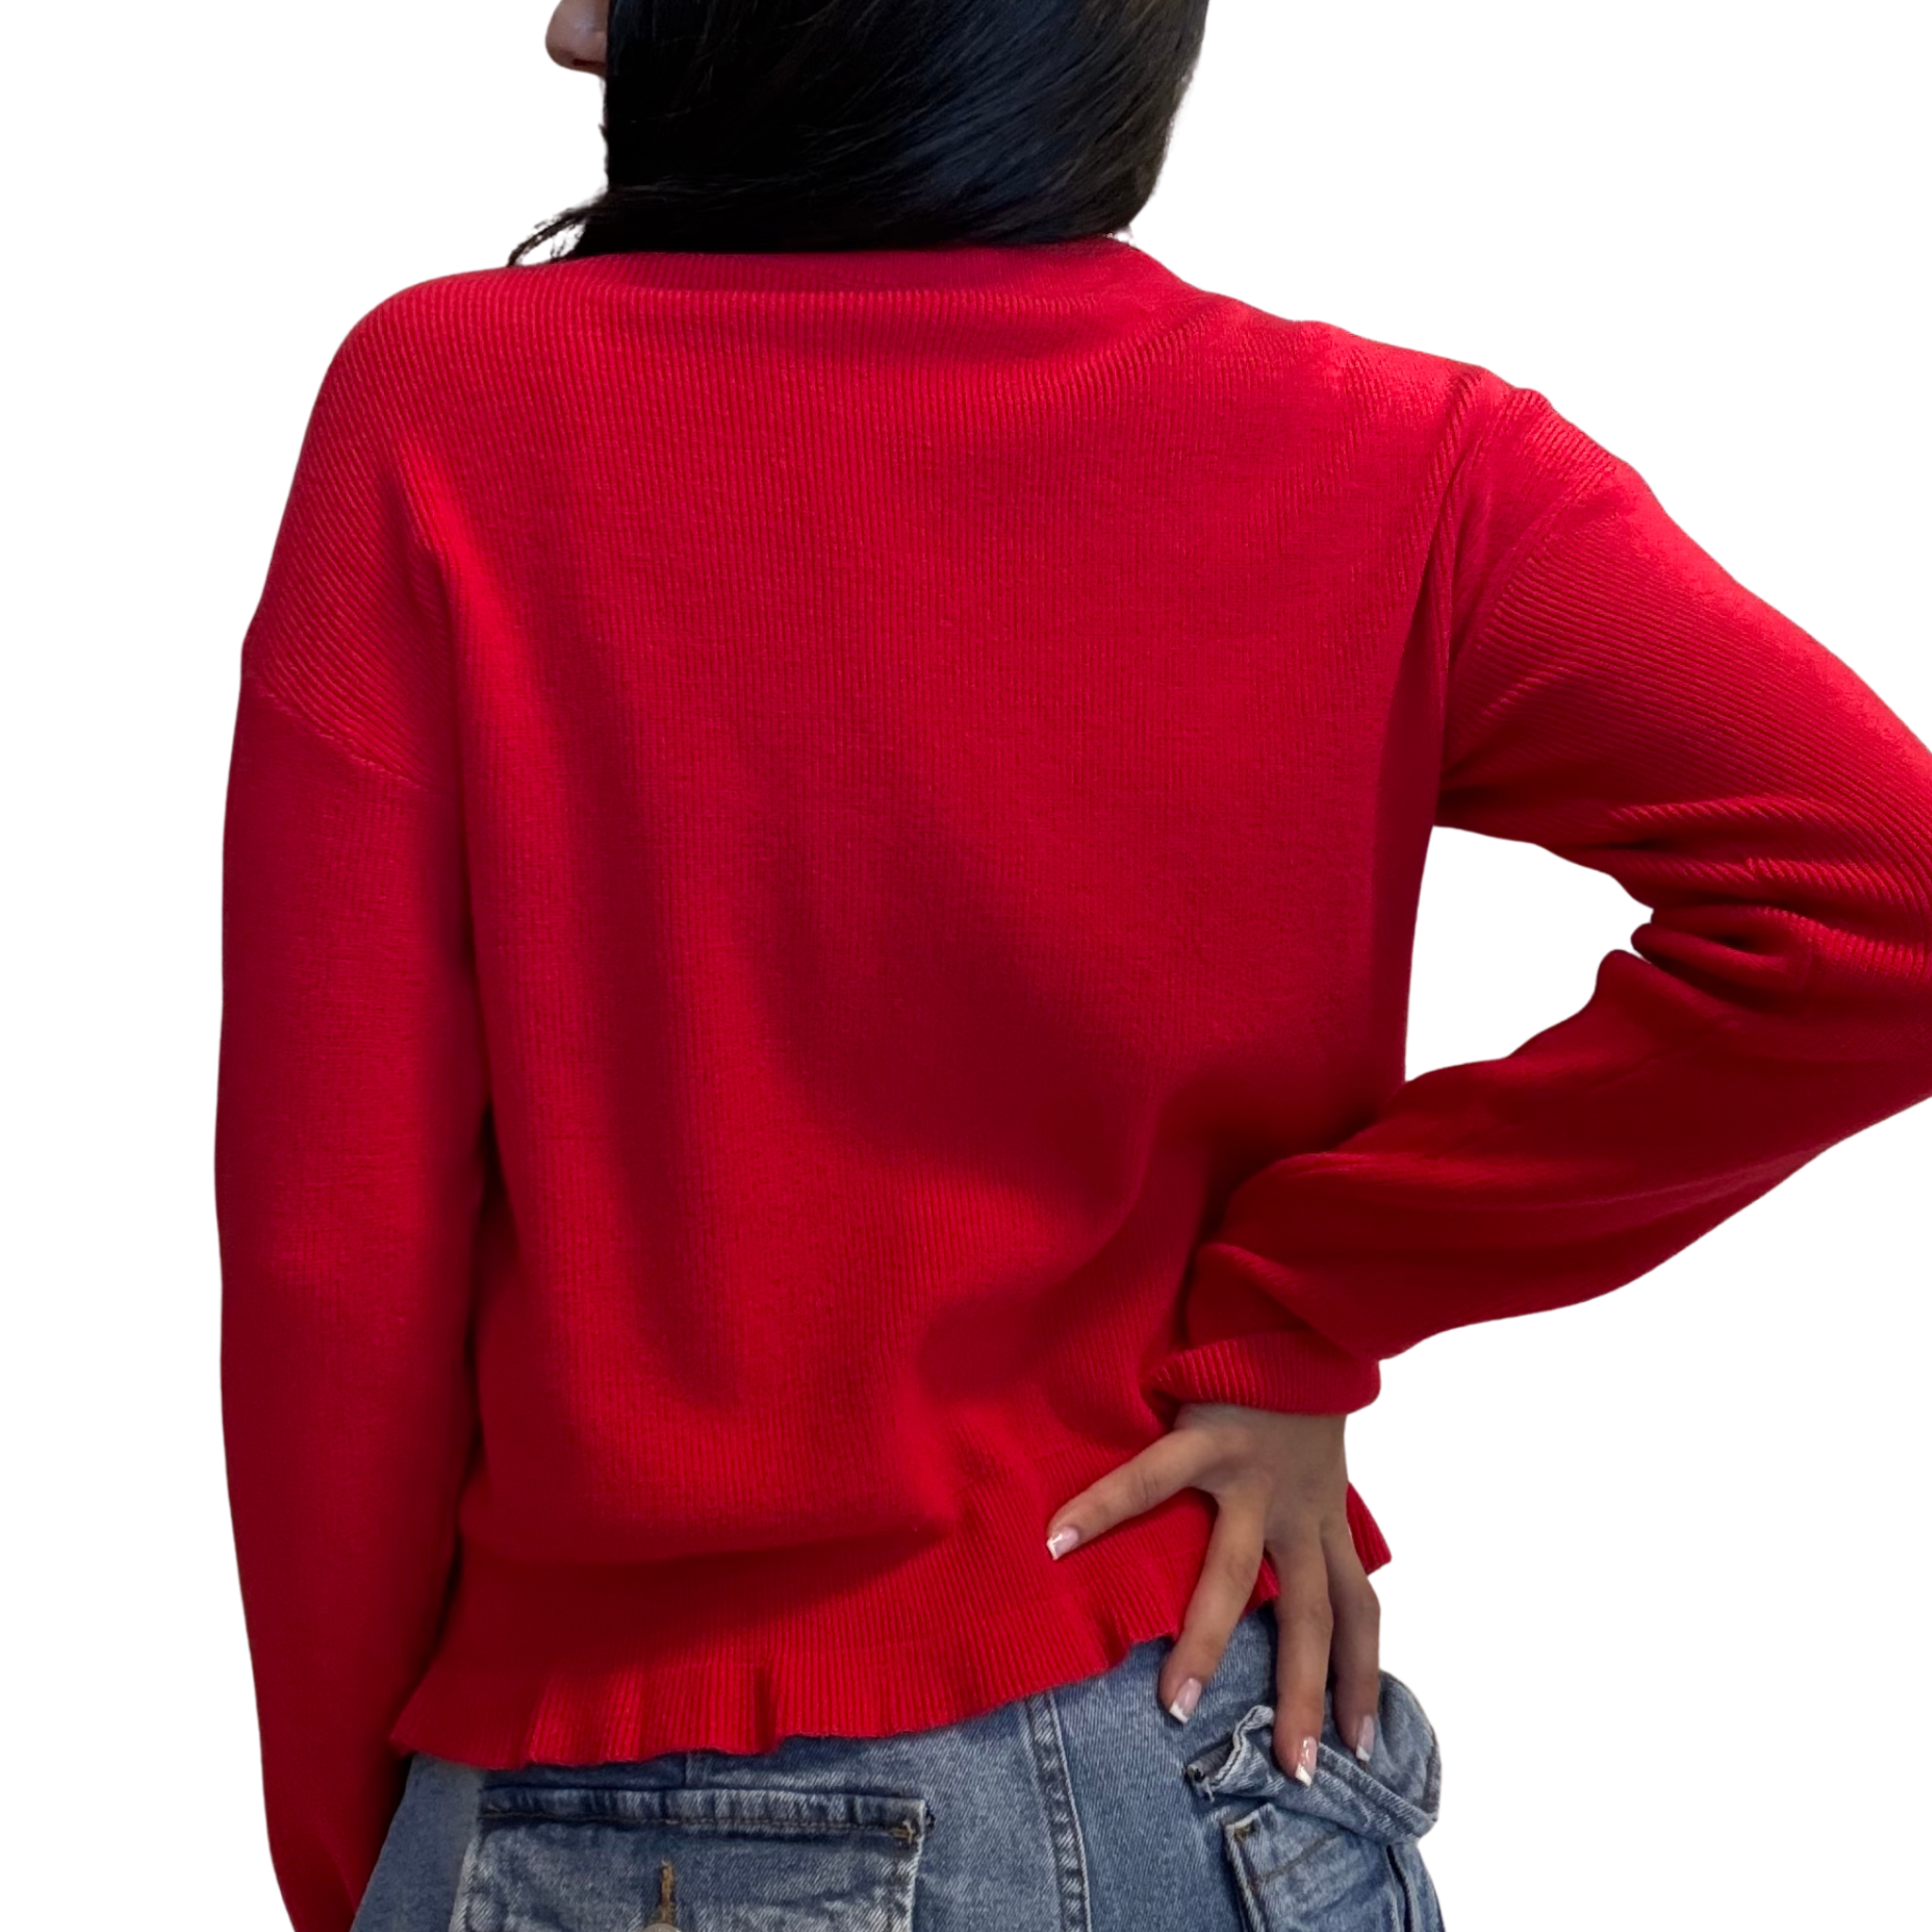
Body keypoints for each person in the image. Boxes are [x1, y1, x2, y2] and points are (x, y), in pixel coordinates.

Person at [212, 2, 1932, 1928]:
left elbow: (329, 1246)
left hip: (622, 1797)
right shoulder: (1399, 463)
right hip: (1206, 1774)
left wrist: (355, 1844)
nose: (559, 19)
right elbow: (1888, 911)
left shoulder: (450, 411)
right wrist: (1298, 1303)